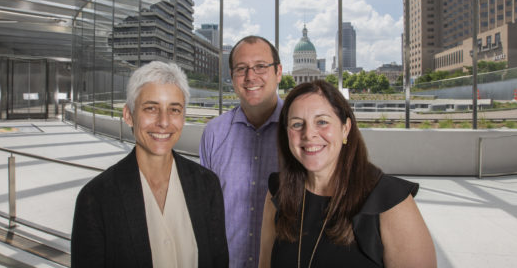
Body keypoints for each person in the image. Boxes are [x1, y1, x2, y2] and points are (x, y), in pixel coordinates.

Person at [259, 80, 436, 268]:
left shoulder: (390, 201)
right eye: (296, 124)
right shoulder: (278, 191)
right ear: (286, 133)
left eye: (322, 122)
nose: (309, 134)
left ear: (346, 128)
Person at [72, 61, 228, 268]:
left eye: (174, 110)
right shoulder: (96, 198)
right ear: (128, 115)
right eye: (151, 108)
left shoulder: (207, 185)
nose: (164, 122)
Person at [200, 35, 283, 267]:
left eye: (260, 66)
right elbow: (204, 211)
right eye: (241, 69)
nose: (250, 76)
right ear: (232, 77)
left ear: (278, 72)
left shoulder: (301, 131)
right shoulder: (214, 134)